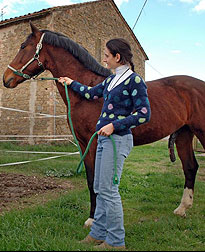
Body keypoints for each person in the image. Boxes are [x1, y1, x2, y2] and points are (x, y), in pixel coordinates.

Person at [58, 38, 151, 250]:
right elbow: (91, 93)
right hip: (104, 140)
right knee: (100, 187)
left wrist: (114, 125)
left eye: (107, 55)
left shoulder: (134, 81)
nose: (104, 59)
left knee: (109, 190)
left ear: (118, 57)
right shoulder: (111, 81)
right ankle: (98, 232)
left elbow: (144, 114)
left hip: (117, 140)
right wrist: (71, 82)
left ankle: (116, 241)